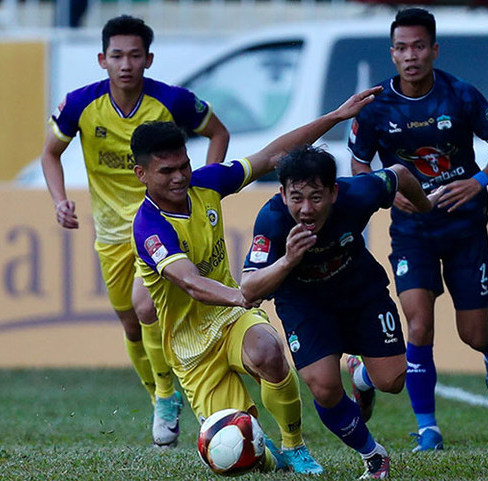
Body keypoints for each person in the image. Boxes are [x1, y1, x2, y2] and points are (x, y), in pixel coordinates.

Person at [130, 86, 383, 473]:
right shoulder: (149, 227)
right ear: (141, 174)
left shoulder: (206, 183)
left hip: (230, 319)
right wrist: (241, 294)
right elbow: (190, 282)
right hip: (191, 347)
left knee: (268, 351)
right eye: (167, 171)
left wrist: (335, 116)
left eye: (183, 165)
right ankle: (272, 456)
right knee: (244, 455)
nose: (180, 176)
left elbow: (272, 156)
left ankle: (295, 444)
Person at [40, 15, 230, 447]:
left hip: (158, 222)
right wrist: (59, 201)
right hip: (110, 233)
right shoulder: (79, 105)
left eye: (135, 55)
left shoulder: (172, 101)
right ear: (102, 59)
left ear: (149, 58)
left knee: (146, 309)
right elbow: (50, 154)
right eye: (117, 55)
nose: (126, 64)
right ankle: (158, 396)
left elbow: (218, 132)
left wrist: (200, 188)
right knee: (130, 323)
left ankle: (167, 395)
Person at [348, 7, 488, 452]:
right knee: (418, 325)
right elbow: (359, 164)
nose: (410, 56)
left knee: (473, 333)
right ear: (392, 53)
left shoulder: (460, 95)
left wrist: (476, 181)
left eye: (419, 46)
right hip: (412, 230)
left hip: (464, 227)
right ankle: (428, 428)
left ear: (434, 50)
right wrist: (386, 192)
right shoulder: (375, 107)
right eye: (401, 48)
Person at [240, 145, 437, 479]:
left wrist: (426, 207)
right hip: (304, 304)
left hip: (361, 292)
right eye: (296, 197)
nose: (305, 209)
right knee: (325, 388)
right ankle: (373, 455)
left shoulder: (358, 194)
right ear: (282, 193)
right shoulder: (272, 219)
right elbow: (248, 289)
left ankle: (361, 376)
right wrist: (288, 259)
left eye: (316, 197)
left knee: (392, 381)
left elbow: (401, 175)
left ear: (333, 192)